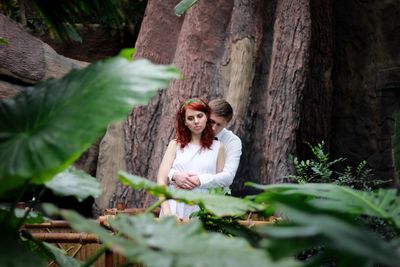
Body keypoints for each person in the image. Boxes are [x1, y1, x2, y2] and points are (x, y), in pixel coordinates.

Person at [157, 98, 225, 219]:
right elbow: (161, 181)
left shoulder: (218, 147)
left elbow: (220, 185)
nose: (196, 121)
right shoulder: (175, 144)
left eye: (200, 116)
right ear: (185, 122)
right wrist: (167, 212)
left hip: (203, 209)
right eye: (190, 118)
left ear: (207, 117)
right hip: (174, 206)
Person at [168, 99, 242, 192]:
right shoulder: (191, 131)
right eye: (211, 121)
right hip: (179, 191)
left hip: (210, 196)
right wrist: (175, 175)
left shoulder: (232, 142)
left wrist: (198, 180)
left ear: (226, 124)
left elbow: (228, 176)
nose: (213, 128)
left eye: (219, 124)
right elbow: (167, 167)